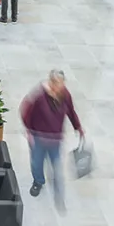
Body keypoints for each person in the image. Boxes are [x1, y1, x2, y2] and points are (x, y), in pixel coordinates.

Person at [20, 70, 84, 207]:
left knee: (56, 165)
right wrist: (29, 130)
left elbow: (71, 111)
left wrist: (77, 126)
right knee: (37, 163)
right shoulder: (39, 96)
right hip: (38, 138)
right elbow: (26, 111)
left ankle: (59, 194)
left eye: (62, 84)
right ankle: (38, 181)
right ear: (51, 82)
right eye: (57, 83)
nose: (60, 86)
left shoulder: (65, 95)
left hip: (55, 139)